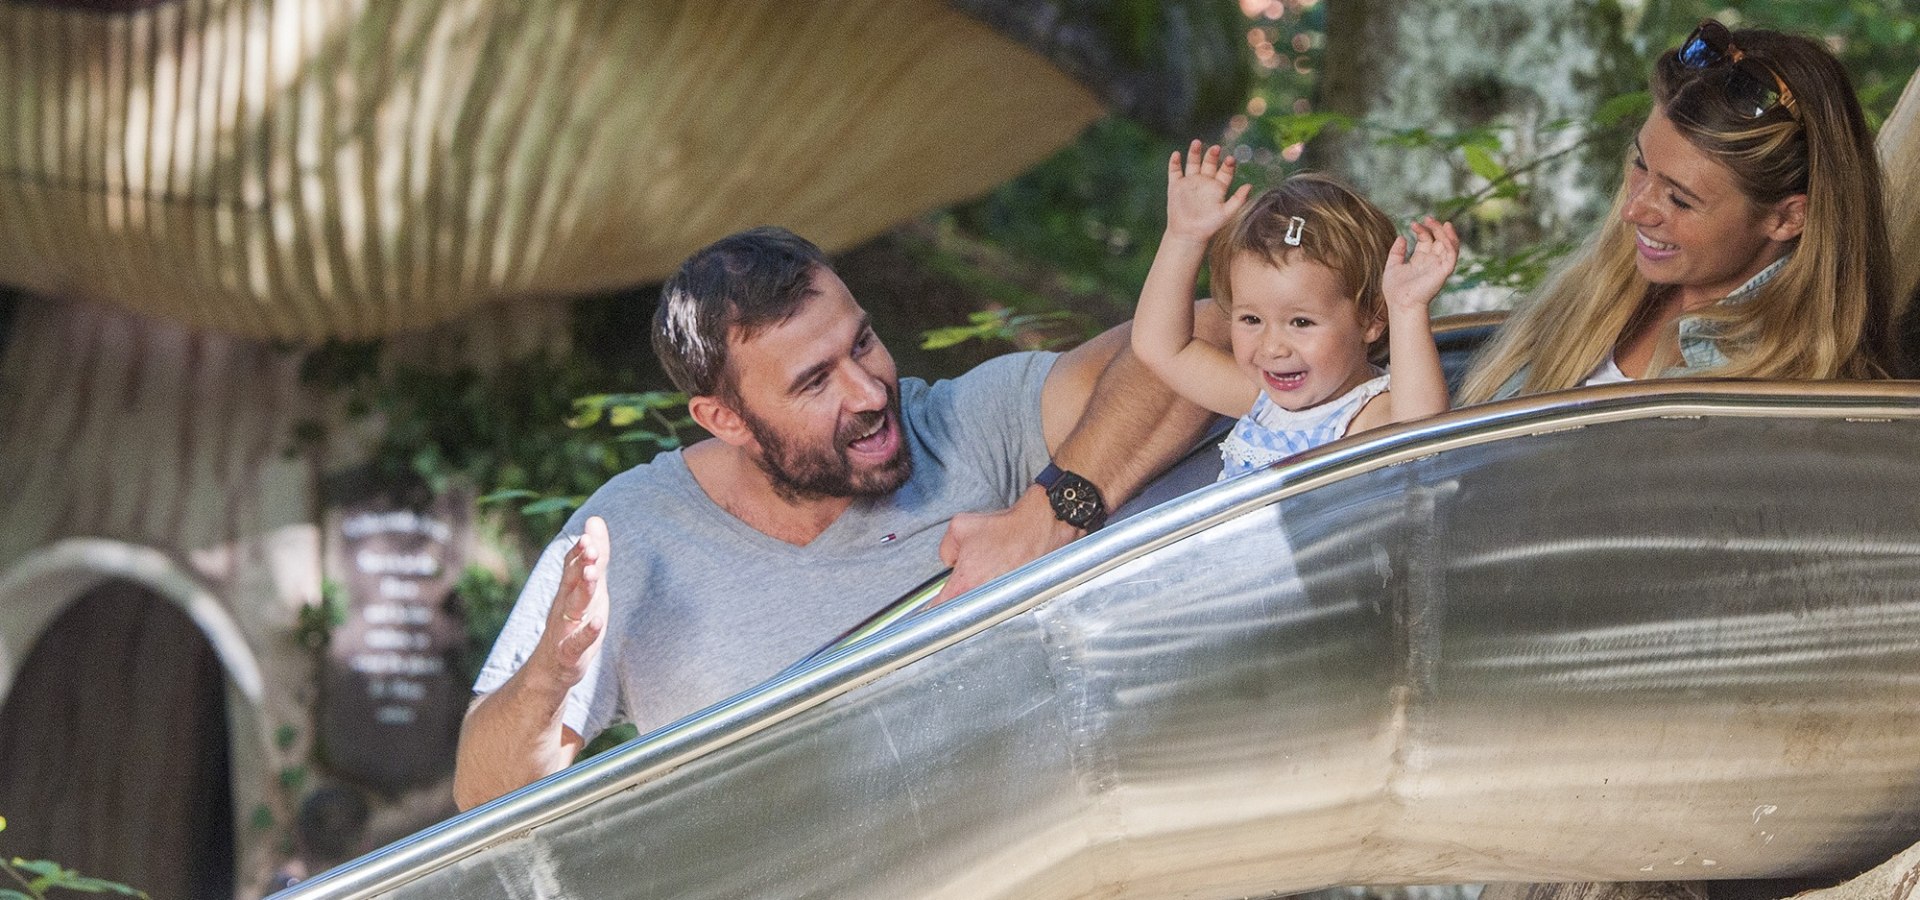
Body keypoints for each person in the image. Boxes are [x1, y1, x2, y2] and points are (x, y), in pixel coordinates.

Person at [452, 226, 1220, 809]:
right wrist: (552, 679)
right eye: (816, 380)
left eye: (864, 343)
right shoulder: (627, 533)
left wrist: (1052, 512)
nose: (870, 392)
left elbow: (1213, 335)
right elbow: (482, 796)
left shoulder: (966, 425)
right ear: (725, 419)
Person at [1458, 19, 1900, 406]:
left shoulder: (1780, 403)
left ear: (1787, 219)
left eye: (1680, 199)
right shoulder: (1603, 288)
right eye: (1640, 165)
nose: (1633, 210)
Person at [1132, 142, 1460, 479]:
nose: (1272, 347)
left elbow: (1421, 438)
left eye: (1301, 322)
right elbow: (1161, 347)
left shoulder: (1365, 415)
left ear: (1372, 319)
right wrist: (1184, 238)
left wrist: (1406, 309)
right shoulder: (1262, 402)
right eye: (1251, 319)